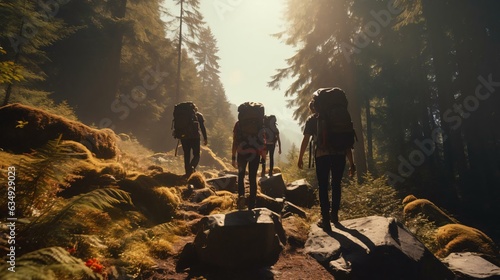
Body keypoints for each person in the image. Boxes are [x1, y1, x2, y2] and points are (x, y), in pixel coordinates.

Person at [298, 99, 355, 232]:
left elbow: (306, 139)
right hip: (340, 154)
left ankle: (325, 220)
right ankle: (334, 215)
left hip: (322, 155)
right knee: (336, 184)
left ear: (313, 107)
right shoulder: (339, 118)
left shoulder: (312, 119)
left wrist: (300, 157)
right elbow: (346, 143)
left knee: (323, 186)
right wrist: (352, 163)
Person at [231, 112, 266, 210]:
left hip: (242, 153)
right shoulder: (259, 125)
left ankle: (241, 197)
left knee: (241, 176)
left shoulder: (239, 124)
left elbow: (235, 141)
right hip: (254, 154)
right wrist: (263, 158)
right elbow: (263, 142)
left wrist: (233, 157)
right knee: (252, 178)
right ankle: (252, 203)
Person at [180, 105, 207, 175]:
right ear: (195, 109)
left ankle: (187, 172)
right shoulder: (198, 115)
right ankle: (191, 168)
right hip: (195, 138)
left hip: (184, 138)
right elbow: (202, 127)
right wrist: (205, 138)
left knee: (187, 155)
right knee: (196, 155)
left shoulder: (182, 116)